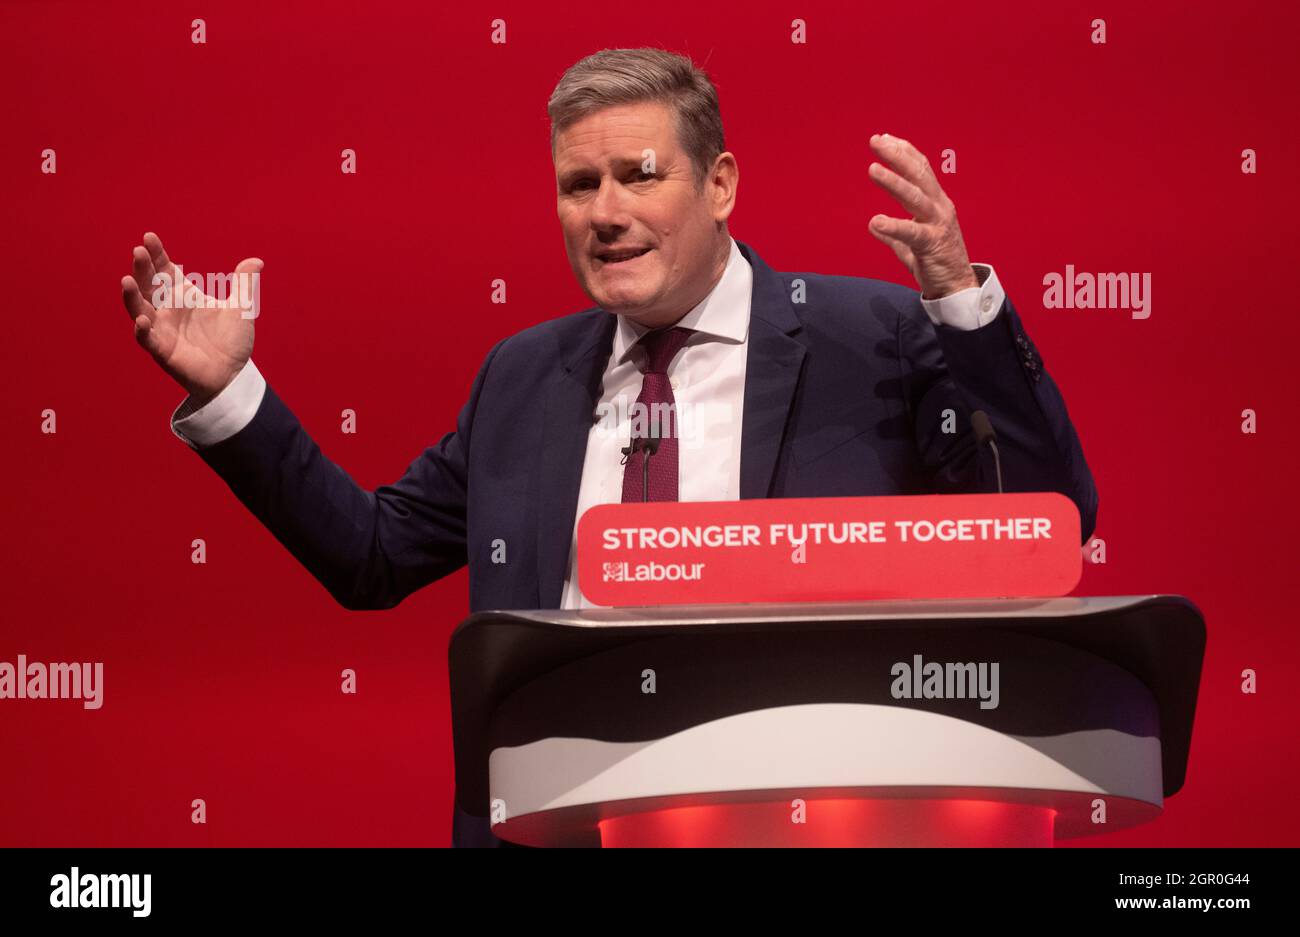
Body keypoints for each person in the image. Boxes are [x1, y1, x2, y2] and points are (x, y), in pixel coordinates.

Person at [119, 48, 1097, 847]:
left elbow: (1046, 515)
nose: (604, 211)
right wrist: (229, 392)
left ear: (719, 185)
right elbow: (369, 555)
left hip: (793, 820)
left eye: (638, 175)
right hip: (555, 826)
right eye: (577, 184)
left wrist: (961, 300)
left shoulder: (872, 335)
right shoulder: (522, 376)